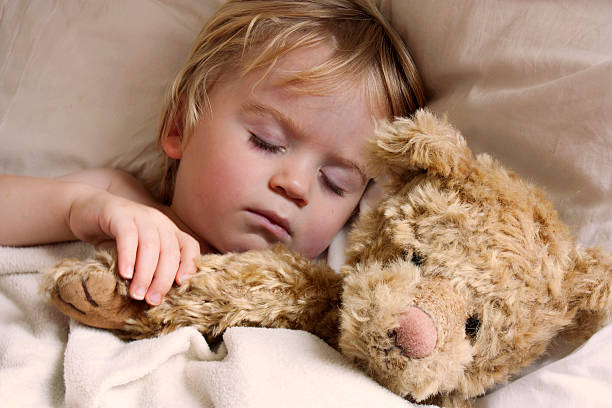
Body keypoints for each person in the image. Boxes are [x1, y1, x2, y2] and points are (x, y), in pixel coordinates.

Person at [0, 0, 424, 306]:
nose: (295, 186)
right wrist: (79, 207)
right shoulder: (119, 199)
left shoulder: (313, 294)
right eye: (266, 141)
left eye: (336, 183)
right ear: (180, 126)